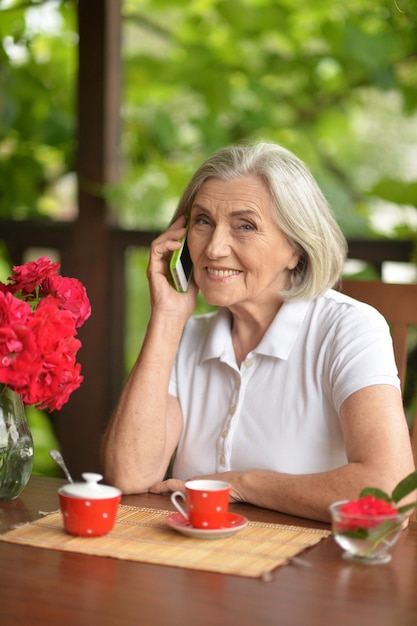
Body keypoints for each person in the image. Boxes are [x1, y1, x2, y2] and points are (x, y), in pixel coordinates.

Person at [102, 141, 415, 522]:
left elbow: (386, 489)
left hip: (310, 569)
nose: (214, 248)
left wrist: (241, 485)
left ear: (296, 248)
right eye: (203, 221)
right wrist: (167, 317)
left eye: (245, 226)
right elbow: (130, 476)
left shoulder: (350, 329)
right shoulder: (185, 336)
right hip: (195, 562)